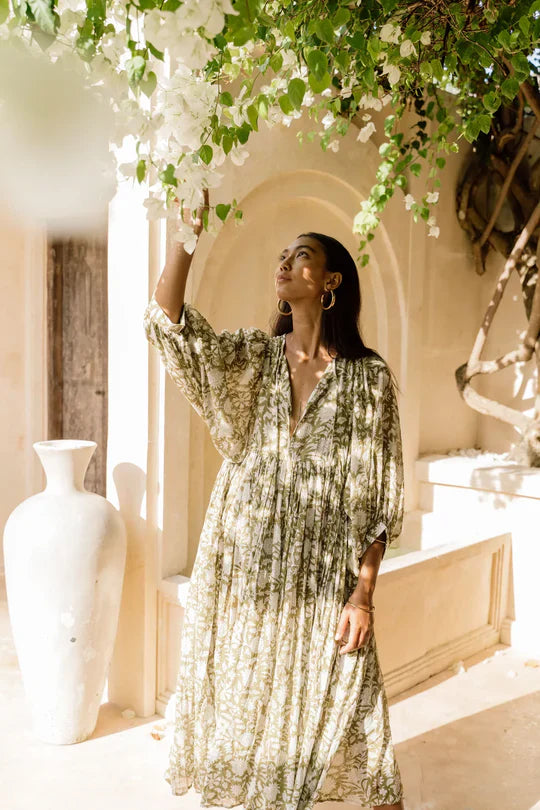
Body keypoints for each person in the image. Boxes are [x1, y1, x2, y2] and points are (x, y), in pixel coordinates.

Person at [143, 192, 406, 810]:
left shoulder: (368, 379)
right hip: (244, 564)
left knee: (362, 722)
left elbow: (380, 500)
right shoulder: (255, 359)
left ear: (331, 281)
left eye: (302, 255)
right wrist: (187, 235)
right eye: (282, 255)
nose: (284, 263)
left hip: (322, 574)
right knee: (249, 707)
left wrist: (363, 594)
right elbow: (169, 325)